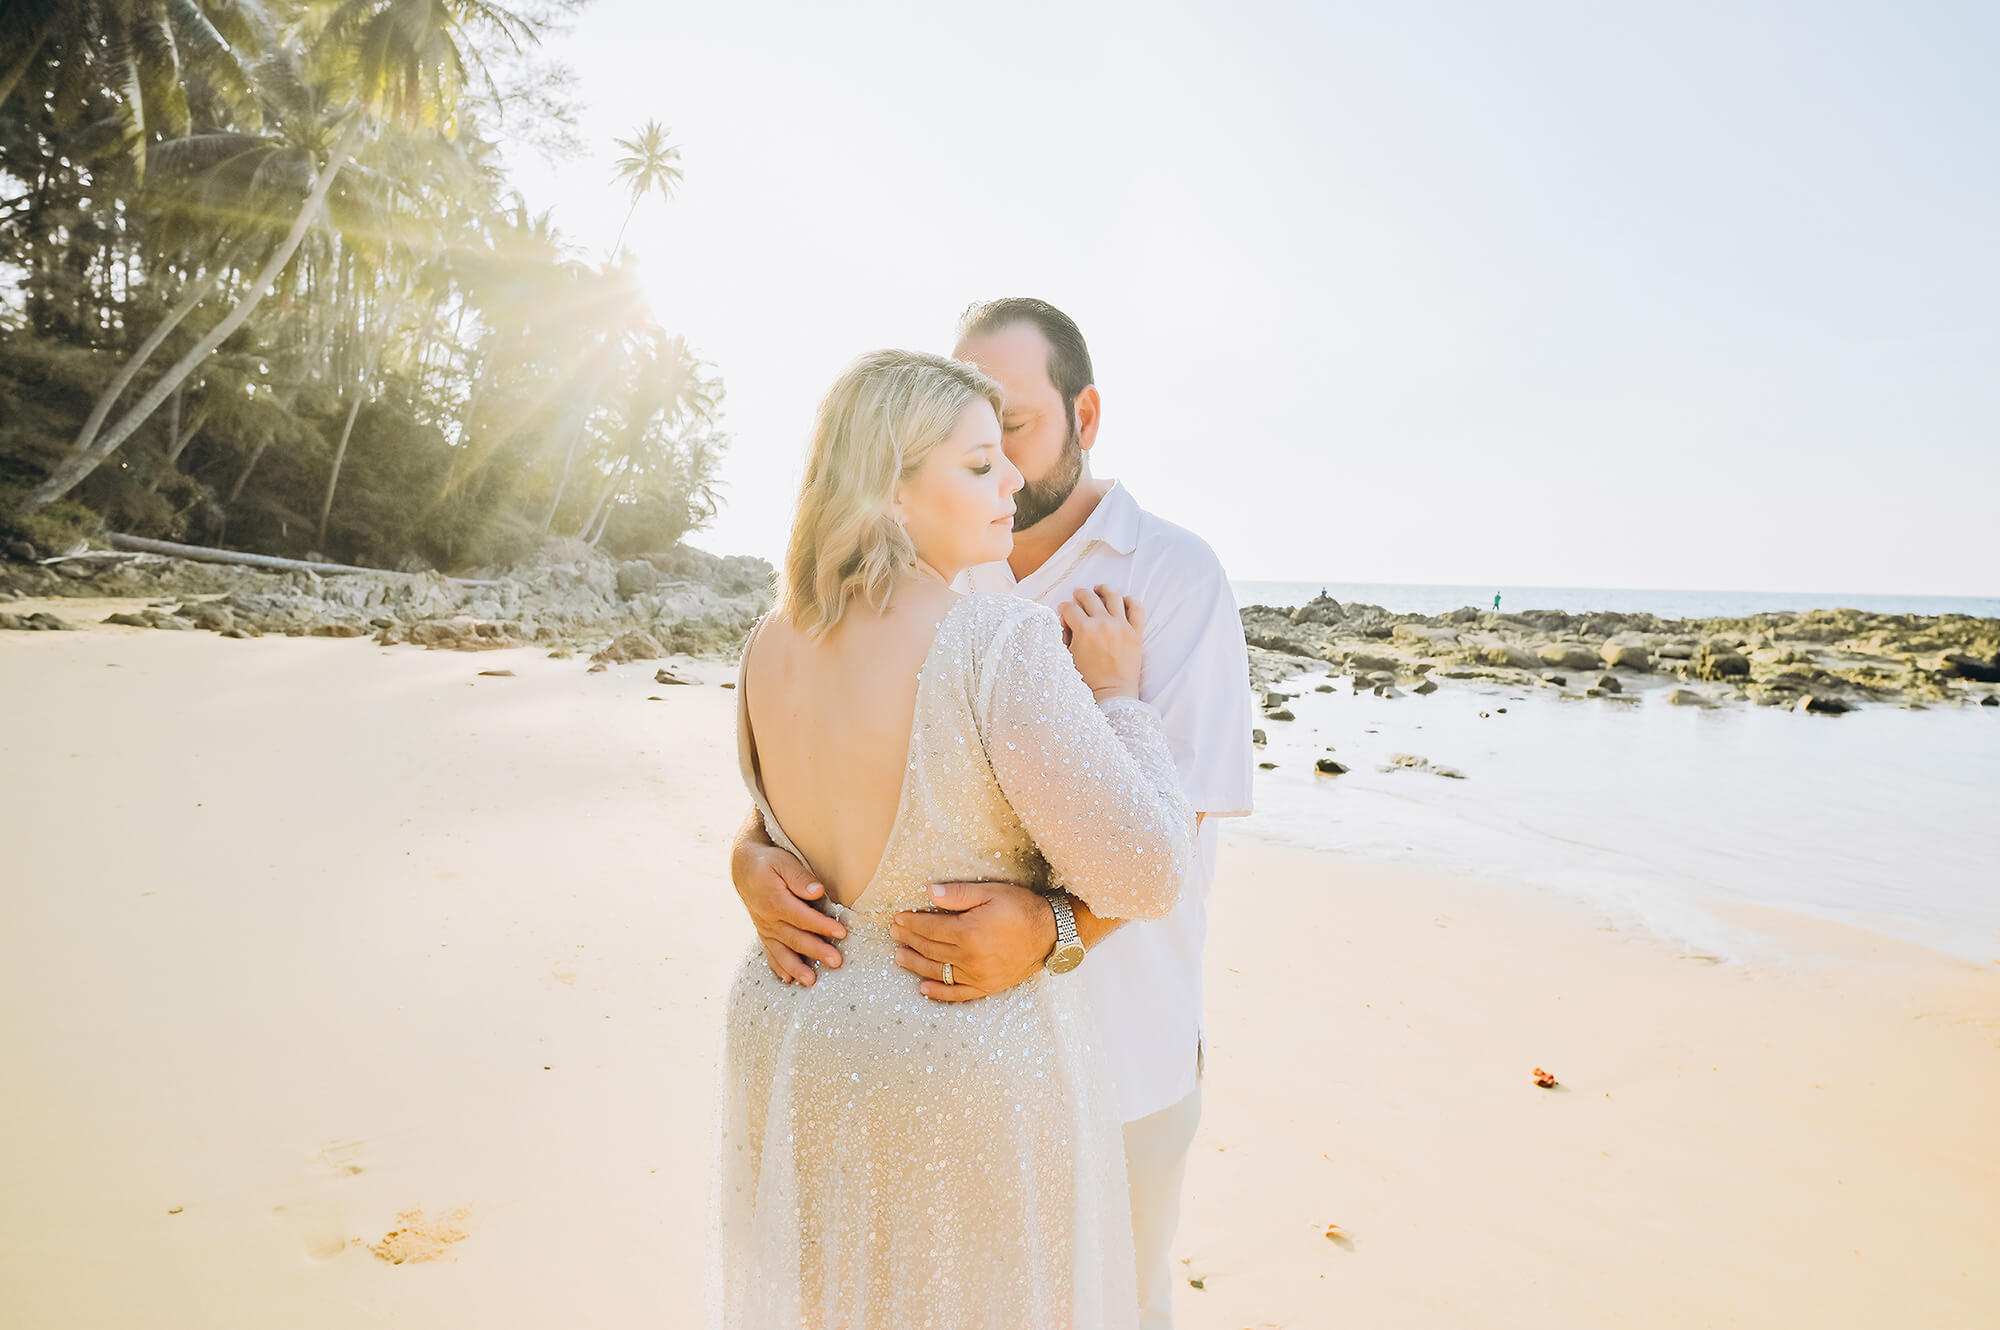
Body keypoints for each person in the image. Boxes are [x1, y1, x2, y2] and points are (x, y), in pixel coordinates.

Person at [732, 301, 1256, 1329]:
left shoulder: (1174, 574)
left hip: (1116, 1052)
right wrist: (748, 859)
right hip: (946, 1066)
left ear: (1084, 413)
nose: (1003, 468)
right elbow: (825, 788)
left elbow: (1177, 834)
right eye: (976, 449)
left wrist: (1050, 928)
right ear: (902, 469)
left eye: (1008, 429)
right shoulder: (958, 589)